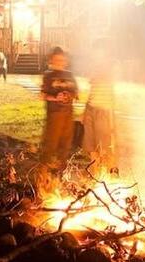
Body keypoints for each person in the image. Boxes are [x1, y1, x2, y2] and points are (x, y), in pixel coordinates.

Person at [39, 47, 79, 184]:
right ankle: (43, 175)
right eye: (56, 59)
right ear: (52, 60)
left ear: (65, 61)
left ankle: (61, 175)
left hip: (68, 114)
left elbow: (75, 93)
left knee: (65, 145)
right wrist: (56, 97)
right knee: (51, 144)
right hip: (55, 115)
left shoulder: (70, 75)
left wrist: (70, 95)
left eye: (62, 59)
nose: (59, 62)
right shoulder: (48, 75)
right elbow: (43, 95)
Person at [82, 38, 116, 173]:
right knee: (91, 146)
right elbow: (92, 89)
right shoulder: (95, 67)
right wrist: (86, 110)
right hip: (91, 109)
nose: (96, 55)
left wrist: (97, 73)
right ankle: (95, 174)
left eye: (99, 52)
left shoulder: (111, 65)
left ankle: (109, 174)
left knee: (105, 146)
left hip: (104, 109)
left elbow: (107, 77)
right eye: (95, 52)